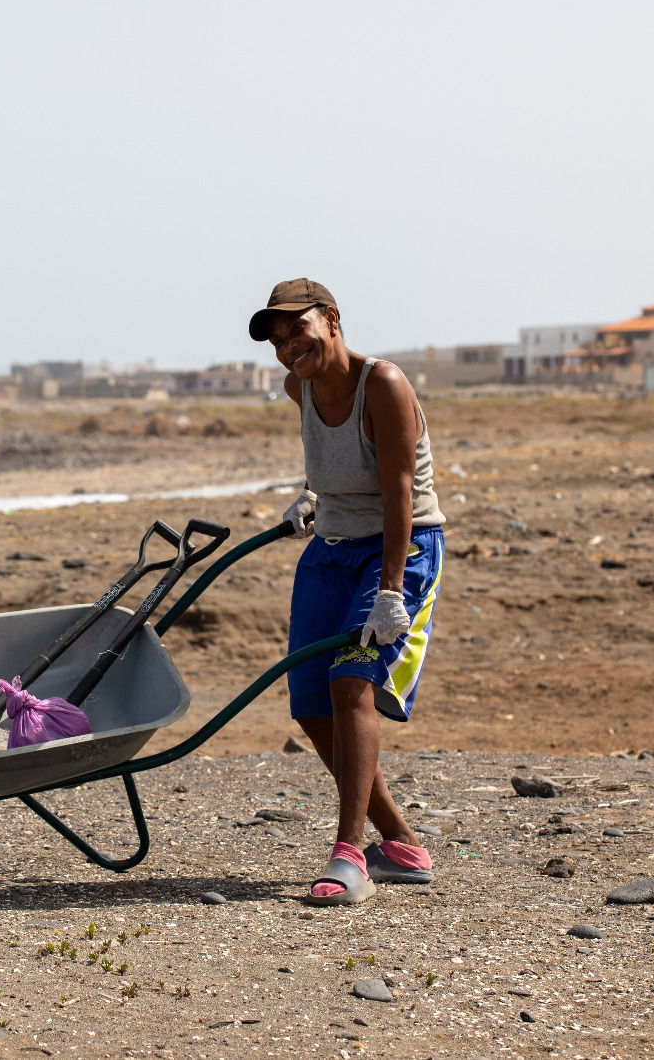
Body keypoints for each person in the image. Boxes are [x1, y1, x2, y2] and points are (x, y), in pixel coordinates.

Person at [249, 278, 445, 907]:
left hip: (399, 545)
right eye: (276, 340)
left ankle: (349, 853)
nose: (287, 349)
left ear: (330, 319)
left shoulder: (381, 384)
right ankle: (402, 844)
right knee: (309, 703)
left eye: (296, 331)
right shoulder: (297, 387)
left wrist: (391, 591)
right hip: (330, 550)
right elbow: (333, 462)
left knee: (350, 682)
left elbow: (398, 493)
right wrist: (311, 497)